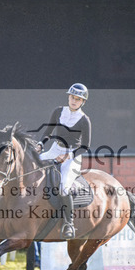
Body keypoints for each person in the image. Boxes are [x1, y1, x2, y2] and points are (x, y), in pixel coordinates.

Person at [36, 83, 91, 239]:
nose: (74, 101)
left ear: (83, 102)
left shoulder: (84, 120)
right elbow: (48, 132)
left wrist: (67, 156)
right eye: (72, 97)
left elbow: (85, 146)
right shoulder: (58, 111)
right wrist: (40, 145)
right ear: (68, 97)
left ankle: (69, 223)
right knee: (32, 167)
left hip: (73, 155)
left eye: (78, 99)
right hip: (55, 149)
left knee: (64, 187)